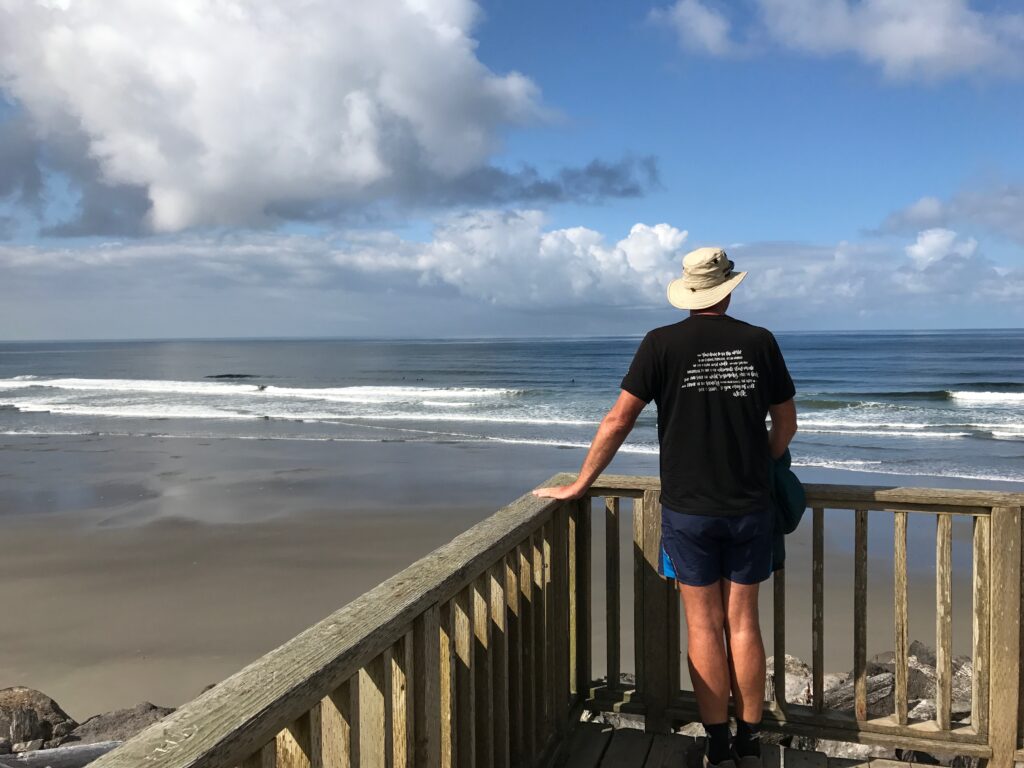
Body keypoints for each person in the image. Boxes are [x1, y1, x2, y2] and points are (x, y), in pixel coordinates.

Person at [534, 247, 797, 768]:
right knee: (742, 624)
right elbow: (786, 425)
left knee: (702, 627)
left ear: (689, 290)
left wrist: (581, 482)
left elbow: (617, 421)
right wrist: (758, 464)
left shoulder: (661, 343)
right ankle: (750, 740)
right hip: (749, 507)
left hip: (689, 512)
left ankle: (717, 745)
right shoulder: (759, 341)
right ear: (729, 288)